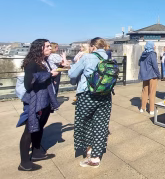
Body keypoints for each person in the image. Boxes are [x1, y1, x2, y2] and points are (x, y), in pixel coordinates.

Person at [68, 37, 112, 168]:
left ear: (93, 47)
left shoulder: (87, 58)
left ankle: (89, 153)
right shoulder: (108, 58)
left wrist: (75, 62)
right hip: (105, 95)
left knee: (86, 123)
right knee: (101, 125)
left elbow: (72, 74)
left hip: (88, 95)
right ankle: (96, 158)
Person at [17, 39, 60, 171]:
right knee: (29, 130)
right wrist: (49, 74)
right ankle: (24, 163)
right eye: (47, 46)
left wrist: (53, 74)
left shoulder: (44, 61)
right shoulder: (31, 63)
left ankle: (36, 153)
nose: (50, 48)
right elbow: (28, 83)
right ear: (39, 48)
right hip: (35, 101)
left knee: (39, 127)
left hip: (45, 100)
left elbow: (46, 77)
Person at [138, 41, 161, 115]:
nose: (155, 46)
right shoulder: (152, 54)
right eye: (154, 45)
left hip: (145, 75)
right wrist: (158, 74)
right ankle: (151, 110)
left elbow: (139, 63)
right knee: (152, 92)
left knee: (144, 92)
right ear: (151, 46)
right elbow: (155, 66)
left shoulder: (143, 54)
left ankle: (143, 108)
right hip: (152, 75)